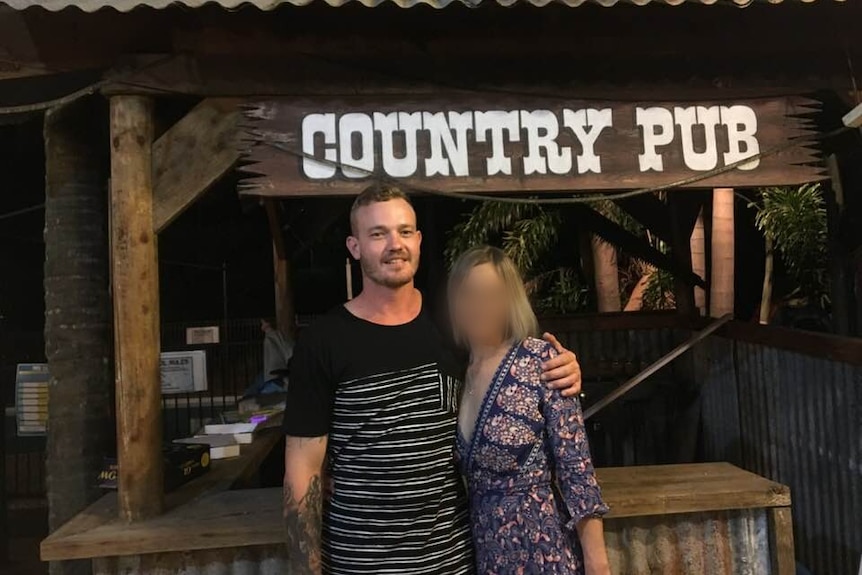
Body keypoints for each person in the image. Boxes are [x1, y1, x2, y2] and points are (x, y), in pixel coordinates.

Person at [282, 184, 583, 575]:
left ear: (419, 240)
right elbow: (302, 472)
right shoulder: (323, 341)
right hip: (360, 563)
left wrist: (566, 368)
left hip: (452, 560)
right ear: (354, 247)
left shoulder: (455, 327)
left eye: (405, 231)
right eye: (378, 234)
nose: (395, 244)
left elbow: (520, 372)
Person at [449, 245, 610, 575]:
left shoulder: (542, 361)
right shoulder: (457, 372)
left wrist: (597, 563)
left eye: (491, 294)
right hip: (485, 550)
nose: (480, 305)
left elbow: (576, 470)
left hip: (542, 548)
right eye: (470, 293)